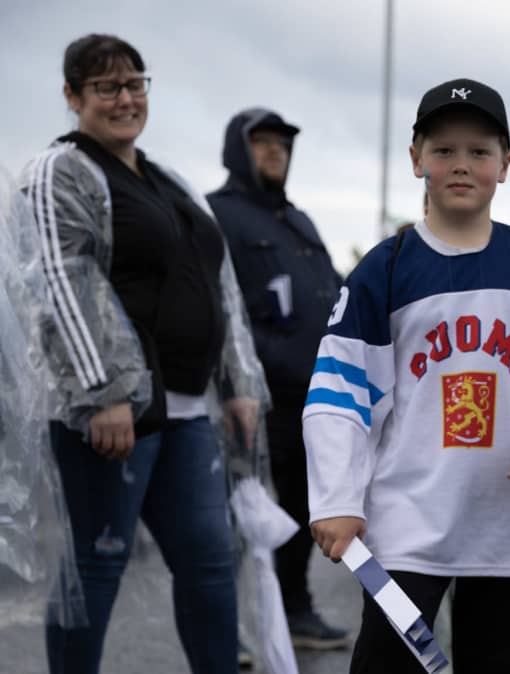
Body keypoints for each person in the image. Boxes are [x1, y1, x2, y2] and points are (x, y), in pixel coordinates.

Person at [302, 78, 510, 673]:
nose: (461, 165)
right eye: (444, 150)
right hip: (406, 523)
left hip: (508, 526)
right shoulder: (386, 267)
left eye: (479, 152)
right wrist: (336, 499)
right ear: (416, 160)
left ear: (505, 165)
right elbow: (340, 393)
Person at [21, 34, 267, 673]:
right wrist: (104, 394)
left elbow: (220, 285)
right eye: (106, 87)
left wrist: (239, 381)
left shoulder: (168, 180)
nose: (125, 98)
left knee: (210, 559)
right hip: (110, 416)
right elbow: (60, 282)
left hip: (188, 411)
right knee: (97, 565)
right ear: (73, 97)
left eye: (135, 84)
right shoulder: (62, 172)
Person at [206, 108, 349, 649]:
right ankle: (234, 627)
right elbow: (218, 309)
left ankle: (292, 609)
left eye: (282, 145)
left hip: (310, 394)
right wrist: (249, 375)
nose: (274, 152)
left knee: (298, 507)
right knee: (237, 513)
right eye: (262, 142)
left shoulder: (299, 221)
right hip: (251, 396)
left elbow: (335, 296)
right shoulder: (217, 214)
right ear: (237, 149)